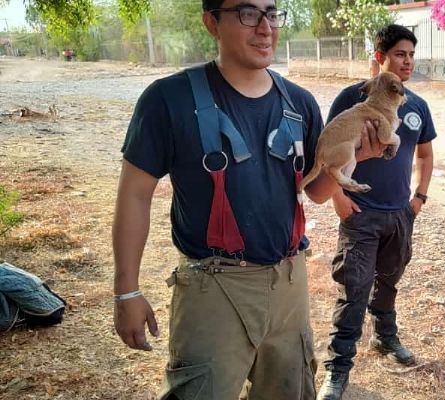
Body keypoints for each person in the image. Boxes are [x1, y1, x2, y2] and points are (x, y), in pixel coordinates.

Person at [111, 1, 384, 399]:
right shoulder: (167, 100)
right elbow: (134, 195)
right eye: (247, 13)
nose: (265, 28)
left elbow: (317, 192)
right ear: (211, 23)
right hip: (213, 288)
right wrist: (126, 290)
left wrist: (357, 155)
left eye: (272, 13)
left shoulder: (300, 102)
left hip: (289, 283)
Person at [317, 24, 437, 400]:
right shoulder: (353, 99)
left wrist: (418, 199)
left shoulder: (414, 105)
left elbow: (426, 154)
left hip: (400, 214)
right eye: (400, 54)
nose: (408, 62)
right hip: (361, 212)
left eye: (412, 55)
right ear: (380, 57)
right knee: (354, 288)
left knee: (389, 280)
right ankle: (337, 370)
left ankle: (385, 337)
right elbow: (328, 150)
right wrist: (339, 200)